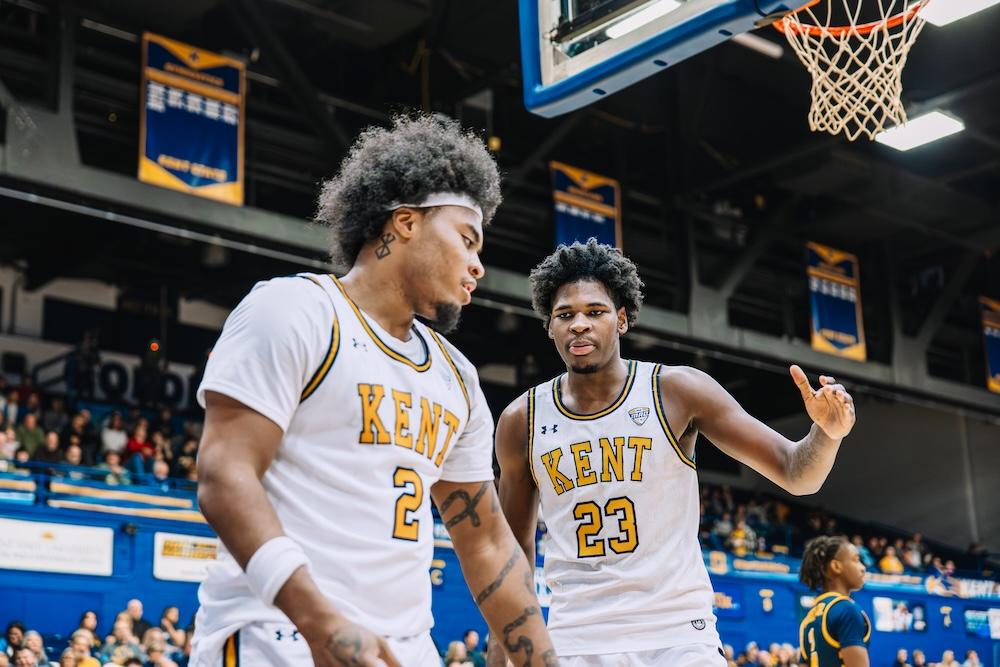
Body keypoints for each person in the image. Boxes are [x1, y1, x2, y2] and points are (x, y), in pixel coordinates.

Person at [190, 114, 556, 667]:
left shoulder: (457, 377)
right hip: (281, 634)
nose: (479, 265)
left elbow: (485, 544)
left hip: (405, 649)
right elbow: (224, 476)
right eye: (467, 239)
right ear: (405, 222)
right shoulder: (295, 310)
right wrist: (320, 622)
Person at [492, 240, 857, 666]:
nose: (579, 325)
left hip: (678, 634)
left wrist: (827, 434)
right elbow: (511, 556)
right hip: (576, 638)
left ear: (622, 319)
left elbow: (796, 472)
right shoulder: (522, 419)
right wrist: (500, 653)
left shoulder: (677, 391)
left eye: (595, 312)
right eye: (565, 315)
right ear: (550, 327)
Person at [798, 536, 870, 667]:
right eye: (856, 560)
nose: (863, 568)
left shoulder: (808, 618)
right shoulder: (847, 609)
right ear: (836, 566)